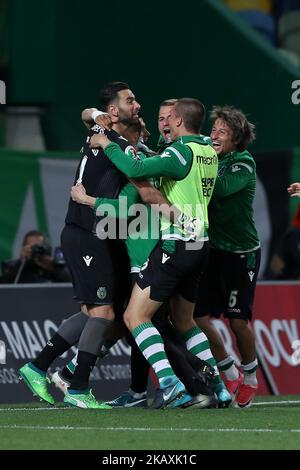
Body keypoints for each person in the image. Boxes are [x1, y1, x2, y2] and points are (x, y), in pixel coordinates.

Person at [66, 117, 217, 409]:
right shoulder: (167, 158)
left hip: (157, 254)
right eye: (152, 124)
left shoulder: (143, 168)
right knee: (158, 326)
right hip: (185, 246)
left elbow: (123, 207)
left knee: (141, 322)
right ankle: (168, 387)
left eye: (166, 120)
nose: (157, 127)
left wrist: (87, 200)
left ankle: (193, 383)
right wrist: (99, 121)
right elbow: (89, 115)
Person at [18, 81, 141, 409]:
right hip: (86, 232)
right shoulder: (115, 143)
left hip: (92, 234)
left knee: (92, 312)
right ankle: (77, 388)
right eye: (130, 100)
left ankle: (37, 367)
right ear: (114, 110)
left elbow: (87, 115)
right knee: (103, 312)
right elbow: (89, 115)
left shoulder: (104, 135)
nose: (137, 104)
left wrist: (97, 116)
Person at [193, 106, 260, 408]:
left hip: (241, 254)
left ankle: (250, 376)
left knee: (237, 322)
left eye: (222, 131)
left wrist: (198, 162)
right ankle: (227, 367)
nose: (214, 135)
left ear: (236, 139)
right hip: (214, 251)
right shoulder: (210, 158)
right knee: (196, 315)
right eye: (213, 129)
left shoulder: (243, 163)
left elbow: (217, 189)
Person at [0, 230, 70, 283]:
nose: (36, 251)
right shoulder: (12, 266)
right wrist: (20, 263)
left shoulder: (58, 266)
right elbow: (4, 286)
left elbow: (75, 284)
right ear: (24, 248)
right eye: (32, 247)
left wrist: (54, 269)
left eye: (39, 246)